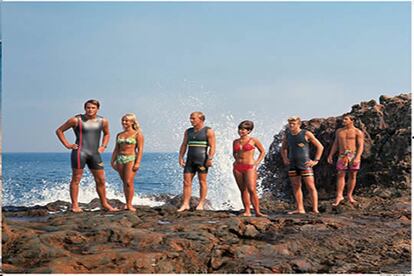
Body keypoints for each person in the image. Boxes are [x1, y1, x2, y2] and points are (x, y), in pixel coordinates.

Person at [56, 99, 117, 212]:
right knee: (76, 179)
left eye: (93, 108)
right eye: (88, 107)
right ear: (85, 108)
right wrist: (67, 145)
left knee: (101, 180)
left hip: (94, 153)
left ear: (97, 109)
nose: (90, 110)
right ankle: (75, 205)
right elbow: (59, 131)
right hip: (80, 153)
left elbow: (107, 133)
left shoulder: (103, 121)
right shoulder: (76, 120)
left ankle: (105, 204)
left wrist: (104, 146)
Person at [281, 116, 324, 214]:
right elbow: (283, 148)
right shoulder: (288, 135)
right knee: (296, 186)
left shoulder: (306, 133)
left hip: (305, 164)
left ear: (299, 124)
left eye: (294, 123)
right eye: (290, 123)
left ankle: (315, 209)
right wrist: (285, 158)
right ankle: (300, 209)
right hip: (293, 164)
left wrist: (315, 160)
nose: (291, 125)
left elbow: (320, 147)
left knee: (310, 186)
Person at [177, 112, 216, 212]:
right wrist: (181, 157)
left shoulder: (208, 131)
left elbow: (212, 146)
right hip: (190, 161)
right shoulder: (188, 131)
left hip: (202, 161)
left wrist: (210, 159)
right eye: (190, 118)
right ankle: (185, 204)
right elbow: (184, 145)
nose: (191, 120)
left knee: (202, 182)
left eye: (193, 118)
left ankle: (201, 203)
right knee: (186, 182)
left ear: (201, 119)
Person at [328, 114, 364, 206]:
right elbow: (336, 144)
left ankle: (349, 195)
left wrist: (357, 157)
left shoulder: (357, 132)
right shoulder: (339, 131)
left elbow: (360, 146)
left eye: (346, 119)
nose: (343, 121)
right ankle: (339, 196)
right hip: (342, 155)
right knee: (340, 174)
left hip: (353, 154)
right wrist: (331, 155)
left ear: (352, 121)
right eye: (343, 119)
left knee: (352, 175)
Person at [232, 120, 267, 217]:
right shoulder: (235, 141)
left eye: (244, 129)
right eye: (240, 129)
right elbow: (234, 153)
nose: (241, 131)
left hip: (250, 167)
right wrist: (236, 160)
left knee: (252, 189)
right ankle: (247, 211)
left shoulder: (253, 140)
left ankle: (257, 212)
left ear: (249, 131)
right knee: (243, 190)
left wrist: (257, 162)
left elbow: (263, 151)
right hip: (237, 167)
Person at [111, 113, 144, 212]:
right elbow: (116, 149)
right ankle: (126, 203)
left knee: (129, 182)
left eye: (127, 121)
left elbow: (140, 149)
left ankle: (129, 205)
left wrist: (137, 162)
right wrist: (112, 161)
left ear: (132, 122)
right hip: (120, 159)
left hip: (131, 159)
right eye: (123, 120)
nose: (124, 122)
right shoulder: (119, 135)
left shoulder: (137, 134)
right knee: (124, 182)